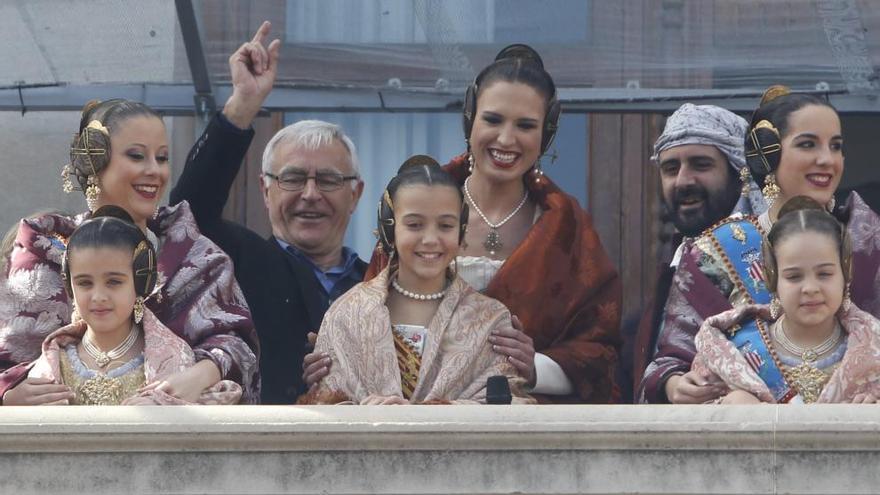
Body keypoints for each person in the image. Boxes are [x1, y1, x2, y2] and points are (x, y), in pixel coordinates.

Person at [350, 45, 619, 403]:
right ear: (469, 118)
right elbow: (370, 316)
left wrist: (536, 365)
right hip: (413, 423)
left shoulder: (568, 229)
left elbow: (601, 352)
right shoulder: (414, 207)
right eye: (493, 120)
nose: (506, 139)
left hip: (522, 433)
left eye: (525, 125)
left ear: (547, 133)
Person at [0, 98, 259, 405]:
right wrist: (8, 395)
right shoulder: (43, 250)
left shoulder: (198, 258)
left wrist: (200, 375)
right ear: (94, 161)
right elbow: (8, 358)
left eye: (162, 158)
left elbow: (239, 347)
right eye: (137, 156)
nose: (154, 171)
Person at [640, 85, 880, 404]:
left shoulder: (867, 241)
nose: (827, 160)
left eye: (835, 146)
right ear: (767, 154)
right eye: (808, 144)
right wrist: (676, 384)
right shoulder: (715, 251)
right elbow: (670, 360)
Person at [170, 22, 366, 404]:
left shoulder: (379, 279)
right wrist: (243, 104)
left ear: (355, 193)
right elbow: (186, 214)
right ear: (265, 189)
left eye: (328, 180)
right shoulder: (240, 263)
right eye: (293, 179)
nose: (310, 195)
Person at [300, 156, 532, 405]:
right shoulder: (347, 314)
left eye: (445, 225)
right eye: (414, 225)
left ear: (461, 231)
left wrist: (422, 416)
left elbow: (511, 408)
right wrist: (366, 416)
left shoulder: (489, 319)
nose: (431, 239)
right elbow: (324, 406)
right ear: (390, 229)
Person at [24, 207, 242, 405]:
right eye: (84, 283)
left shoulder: (171, 358)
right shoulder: (52, 360)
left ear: (141, 283)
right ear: (69, 286)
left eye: (114, 282)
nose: (98, 296)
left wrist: (168, 410)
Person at [626, 103, 763, 399]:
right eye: (670, 168)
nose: (684, 181)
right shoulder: (678, 262)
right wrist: (672, 383)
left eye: (701, 164)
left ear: (740, 172)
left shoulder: (770, 255)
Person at [693, 197, 880, 404]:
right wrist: (732, 404)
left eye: (825, 274)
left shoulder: (873, 347)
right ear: (772, 278)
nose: (810, 288)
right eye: (794, 277)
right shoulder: (730, 348)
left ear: (846, 273)